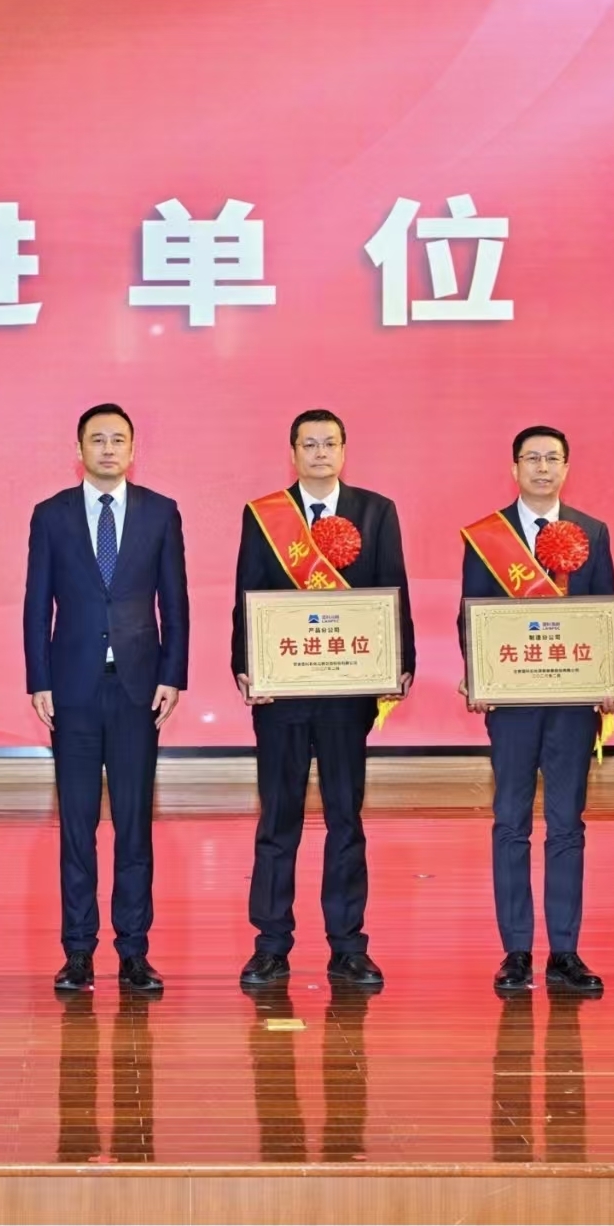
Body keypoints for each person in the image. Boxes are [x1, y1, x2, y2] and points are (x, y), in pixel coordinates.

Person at [231, 408, 409, 991]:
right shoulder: (265, 515)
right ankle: (271, 945)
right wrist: (245, 664)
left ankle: (348, 946)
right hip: (282, 693)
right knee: (277, 821)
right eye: (308, 444)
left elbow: (393, 588)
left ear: (344, 451)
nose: (320, 453)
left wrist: (400, 660)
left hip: (346, 693)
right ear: (293, 453)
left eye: (329, 443)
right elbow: (247, 592)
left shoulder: (376, 511)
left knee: (345, 820)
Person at [23, 403, 191, 994]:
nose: (108, 449)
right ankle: (78, 951)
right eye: (97, 439)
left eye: (118, 439)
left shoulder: (161, 512)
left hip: (138, 689)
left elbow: (175, 601)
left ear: (133, 449)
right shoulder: (51, 515)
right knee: (76, 826)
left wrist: (174, 674)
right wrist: (38, 679)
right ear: (79, 450)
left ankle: (134, 951)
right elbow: (36, 603)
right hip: (71, 690)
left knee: (133, 824)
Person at [475, 425, 614, 997]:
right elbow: (472, 613)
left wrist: (610, 678)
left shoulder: (593, 531)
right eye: (532, 458)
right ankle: (516, 950)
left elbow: (604, 610)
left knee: (567, 825)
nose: (542, 468)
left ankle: (565, 950)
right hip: (512, 703)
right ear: (514, 467)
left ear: (566, 467)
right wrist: (479, 674)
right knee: (510, 822)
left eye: (553, 458)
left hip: (572, 704)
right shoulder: (487, 536)